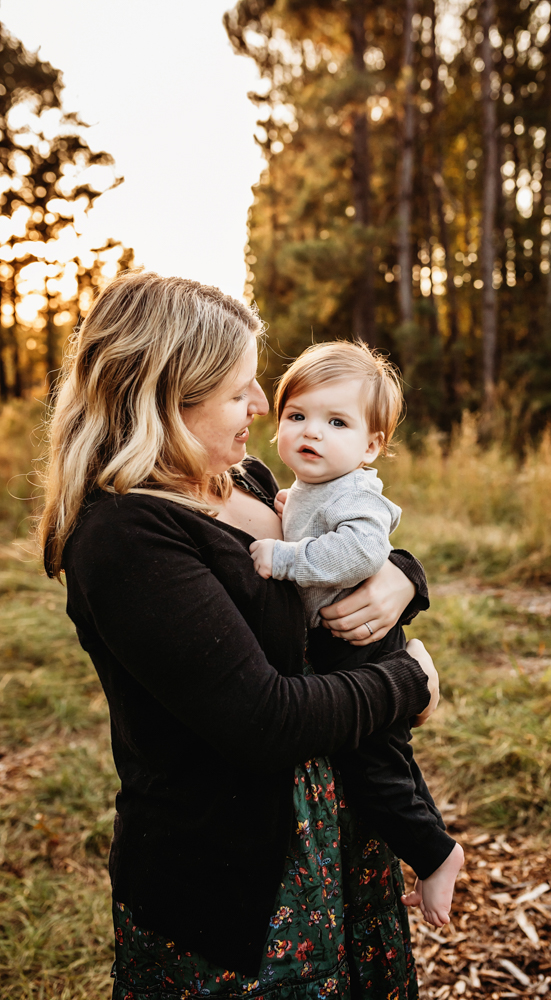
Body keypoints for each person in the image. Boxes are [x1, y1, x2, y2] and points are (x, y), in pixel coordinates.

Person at [39, 270, 445, 1000]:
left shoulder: (247, 478)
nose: (262, 407)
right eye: (238, 391)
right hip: (232, 879)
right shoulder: (126, 535)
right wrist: (411, 682)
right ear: (162, 395)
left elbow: (341, 548)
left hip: (335, 829)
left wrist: (403, 578)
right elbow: (263, 719)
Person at [249, 341, 464, 928]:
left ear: (371, 446)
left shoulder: (356, 491)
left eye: (335, 422)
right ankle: (436, 842)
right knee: (389, 754)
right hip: (342, 645)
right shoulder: (313, 489)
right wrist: (294, 507)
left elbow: (363, 549)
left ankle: (435, 854)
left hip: (360, 644)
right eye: (297, 416)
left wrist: (286, 556)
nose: (310, 432)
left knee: (374, 768)